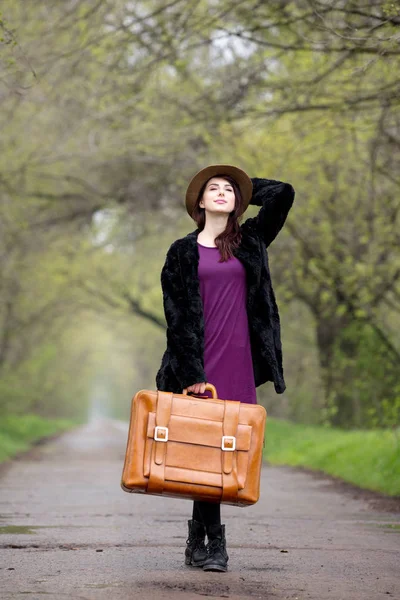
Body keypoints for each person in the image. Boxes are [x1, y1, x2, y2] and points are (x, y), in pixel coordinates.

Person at [156, 164, 295, 572]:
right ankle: (213, 544)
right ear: (198, 201)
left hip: (240, 360)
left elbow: (283, 193)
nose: (220, 193)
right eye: (212, 189)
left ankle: (198, 540)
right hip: (200, 363)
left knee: (224, 449)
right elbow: (177, 317)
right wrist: (192, 373)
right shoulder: (181, 252)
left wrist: (244, 189)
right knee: (205, 451)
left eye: (227, 190)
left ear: (237, 201)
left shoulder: (250, 239)